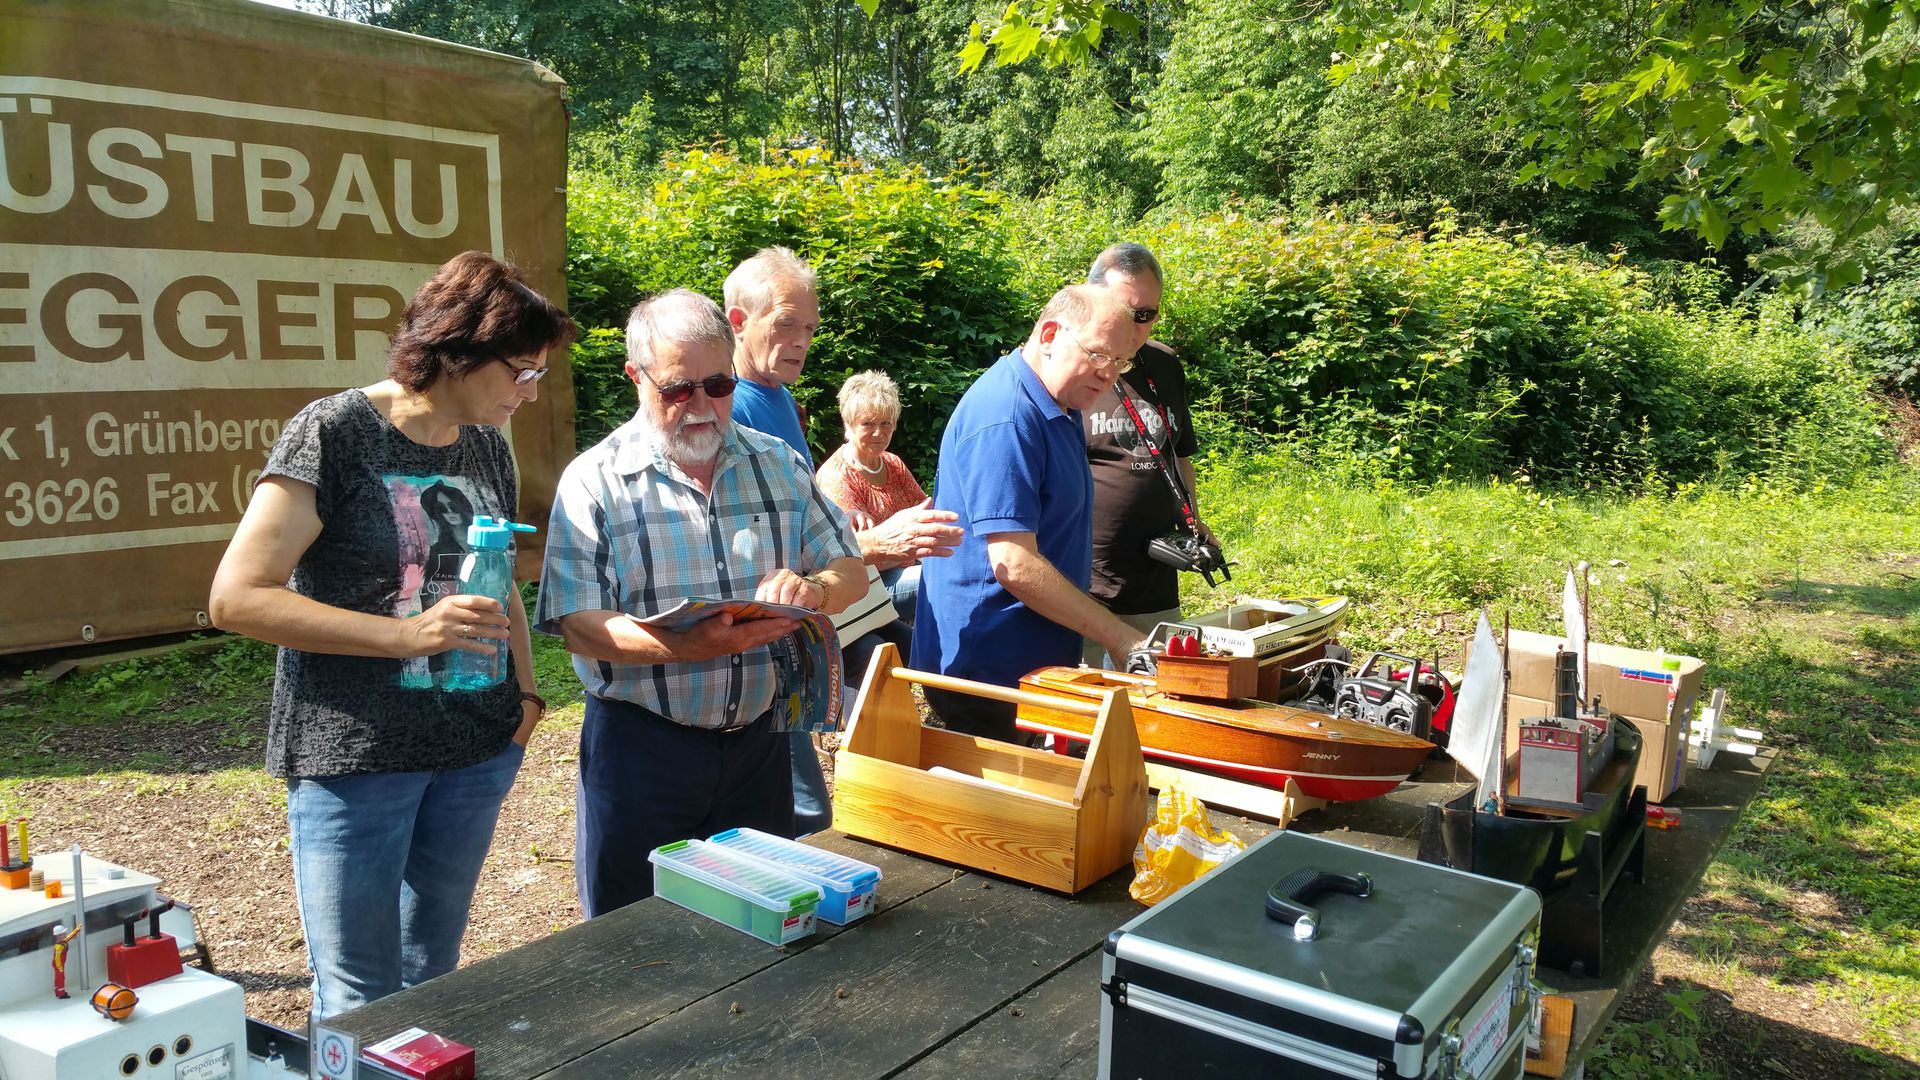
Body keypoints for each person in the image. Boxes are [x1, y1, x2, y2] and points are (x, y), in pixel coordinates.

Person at [208, 251, 574, 1020]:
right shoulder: (334, 432)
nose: (530, 391)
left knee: (432, 978)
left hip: (475, 755)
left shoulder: (485, 443)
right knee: (359, 998)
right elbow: (236, 598)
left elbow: (499, 581)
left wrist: (526, 703)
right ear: (460, 351)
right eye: (521, 371)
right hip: (356, 761)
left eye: (539, 374)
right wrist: (406, 637)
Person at [536, 288, 865, 918]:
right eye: (676, 389)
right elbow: (578, 624)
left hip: (759, 747)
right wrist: (682, 646)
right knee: (633, 935)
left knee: (763, 926)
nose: (701, 406)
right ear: (636, 378)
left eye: (717, 385)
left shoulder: (778, 462)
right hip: (641, 752)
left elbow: (848, 567)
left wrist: (816, 590)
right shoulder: (595, 480)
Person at [723, 249, 957, 833]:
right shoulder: (732, 405)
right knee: (804, 808)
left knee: (815, 793)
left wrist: (846, 524)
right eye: (786, 324)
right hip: (763, 636)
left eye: (809, 327)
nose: (802, 341)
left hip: (809, 621)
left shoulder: (778, 397)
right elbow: (751, 551)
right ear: (738, 321)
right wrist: (878, 545)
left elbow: (798, 515)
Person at [912, 285, 1156, 742]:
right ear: (1049, 335)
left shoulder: (1060, 400)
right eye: (1098, 354)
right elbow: (1014, 563)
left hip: (1027, 662)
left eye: (1121, 361)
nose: (1109, 374)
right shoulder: (1006, 415)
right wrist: (1120, 637)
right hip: (985, 671)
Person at [1080, 243, 1213, 667]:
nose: (1135, 327)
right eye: (1124, 310)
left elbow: (1179, 456)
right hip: (1081, 581)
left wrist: (1192, 519)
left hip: (1154, 576)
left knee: (1159, 691)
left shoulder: (1165, 364)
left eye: (1146, 314)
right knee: (1082, 698)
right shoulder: (1073, 370)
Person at [815, 370, 955, 620]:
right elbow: (853, 555)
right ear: (849, 424)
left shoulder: (892, 463)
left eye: (886, 423)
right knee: (943, 578)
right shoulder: (836, 476)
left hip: (910, 566)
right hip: (869, 588)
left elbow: (925, 510)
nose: (879, 432)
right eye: (868, 423)